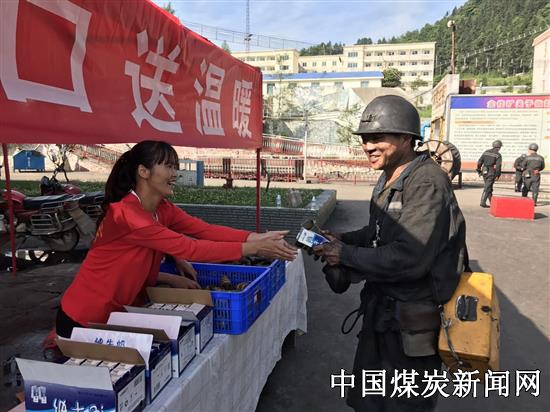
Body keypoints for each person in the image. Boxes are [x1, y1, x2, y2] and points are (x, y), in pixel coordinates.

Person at [313, 95, 466, 412]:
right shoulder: (391, 175)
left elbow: (410, 257)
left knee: (402, 404)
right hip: (383, 313)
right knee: (370, 400)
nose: (368, 146)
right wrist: (341, 239)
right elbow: (378, 232)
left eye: (378, 138)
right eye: (365, 139)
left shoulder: (427, 183)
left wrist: (345, 255)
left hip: (412, 323)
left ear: (407, 138)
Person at [56, 140, 297, 338]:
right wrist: (254, 248)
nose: (175, 174)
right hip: (86, 316)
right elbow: (190, 248)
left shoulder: (162, 209)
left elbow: (204, 230)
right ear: (143, 171)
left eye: (175, 167)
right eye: (169, 167)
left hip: (119, 311)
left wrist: (256, 236)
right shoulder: (127, 215)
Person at [476, 140, 502, 207]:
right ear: (499, 147)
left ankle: (492, 203)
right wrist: (497, 175)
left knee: (489, 187)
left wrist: (479, 170)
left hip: (484, 171)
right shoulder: (498, 155)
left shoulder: (486, 152)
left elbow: (479, 162)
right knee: (487, 187)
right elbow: (498, 166)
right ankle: (482, 202)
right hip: (491, 172)